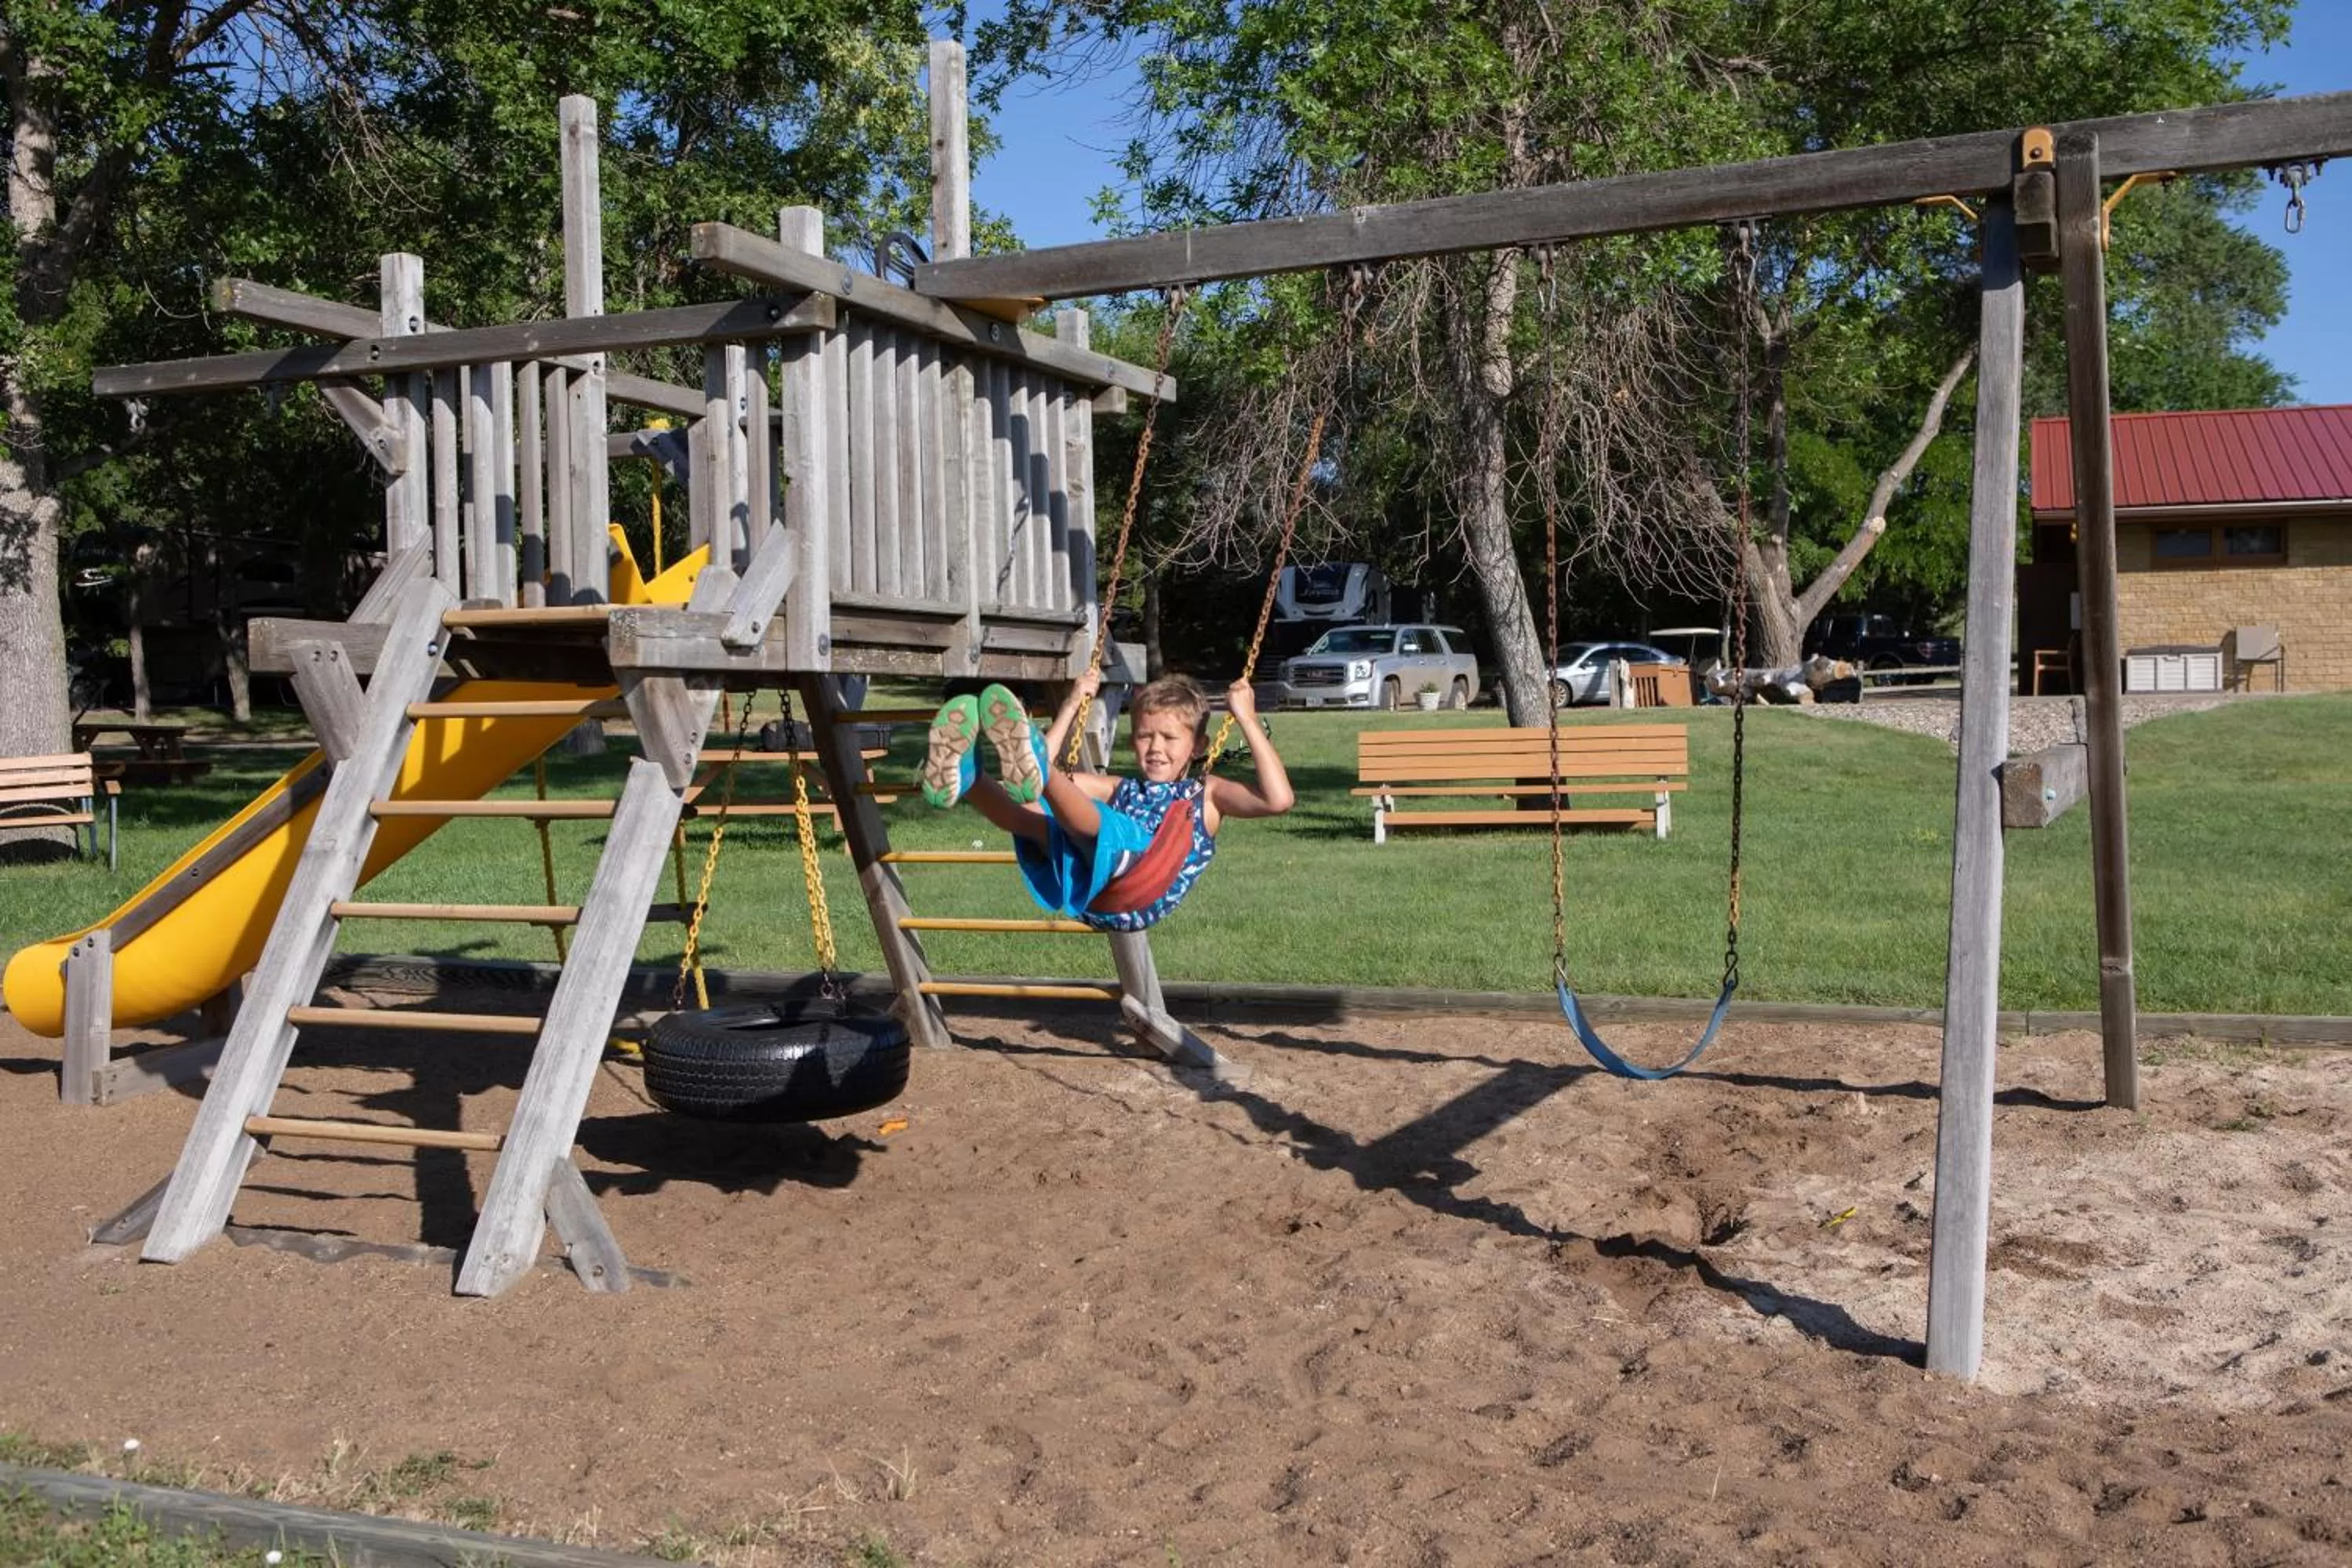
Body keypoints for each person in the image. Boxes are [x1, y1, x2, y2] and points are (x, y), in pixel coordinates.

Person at [919, 672, 1294, 931]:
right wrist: (1071, 705)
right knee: (1033, 817)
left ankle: (1026, 765)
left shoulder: (1205, 795)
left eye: (1169, 738)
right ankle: (968, 776)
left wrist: (1246, 716)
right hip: (1097, 890)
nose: (1156, 748)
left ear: (1198, 747)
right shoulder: (1121, 788)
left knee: (1106, 827)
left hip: (1142, 884)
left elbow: (1278, 800)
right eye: (1146, 737)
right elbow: (1030, 786)